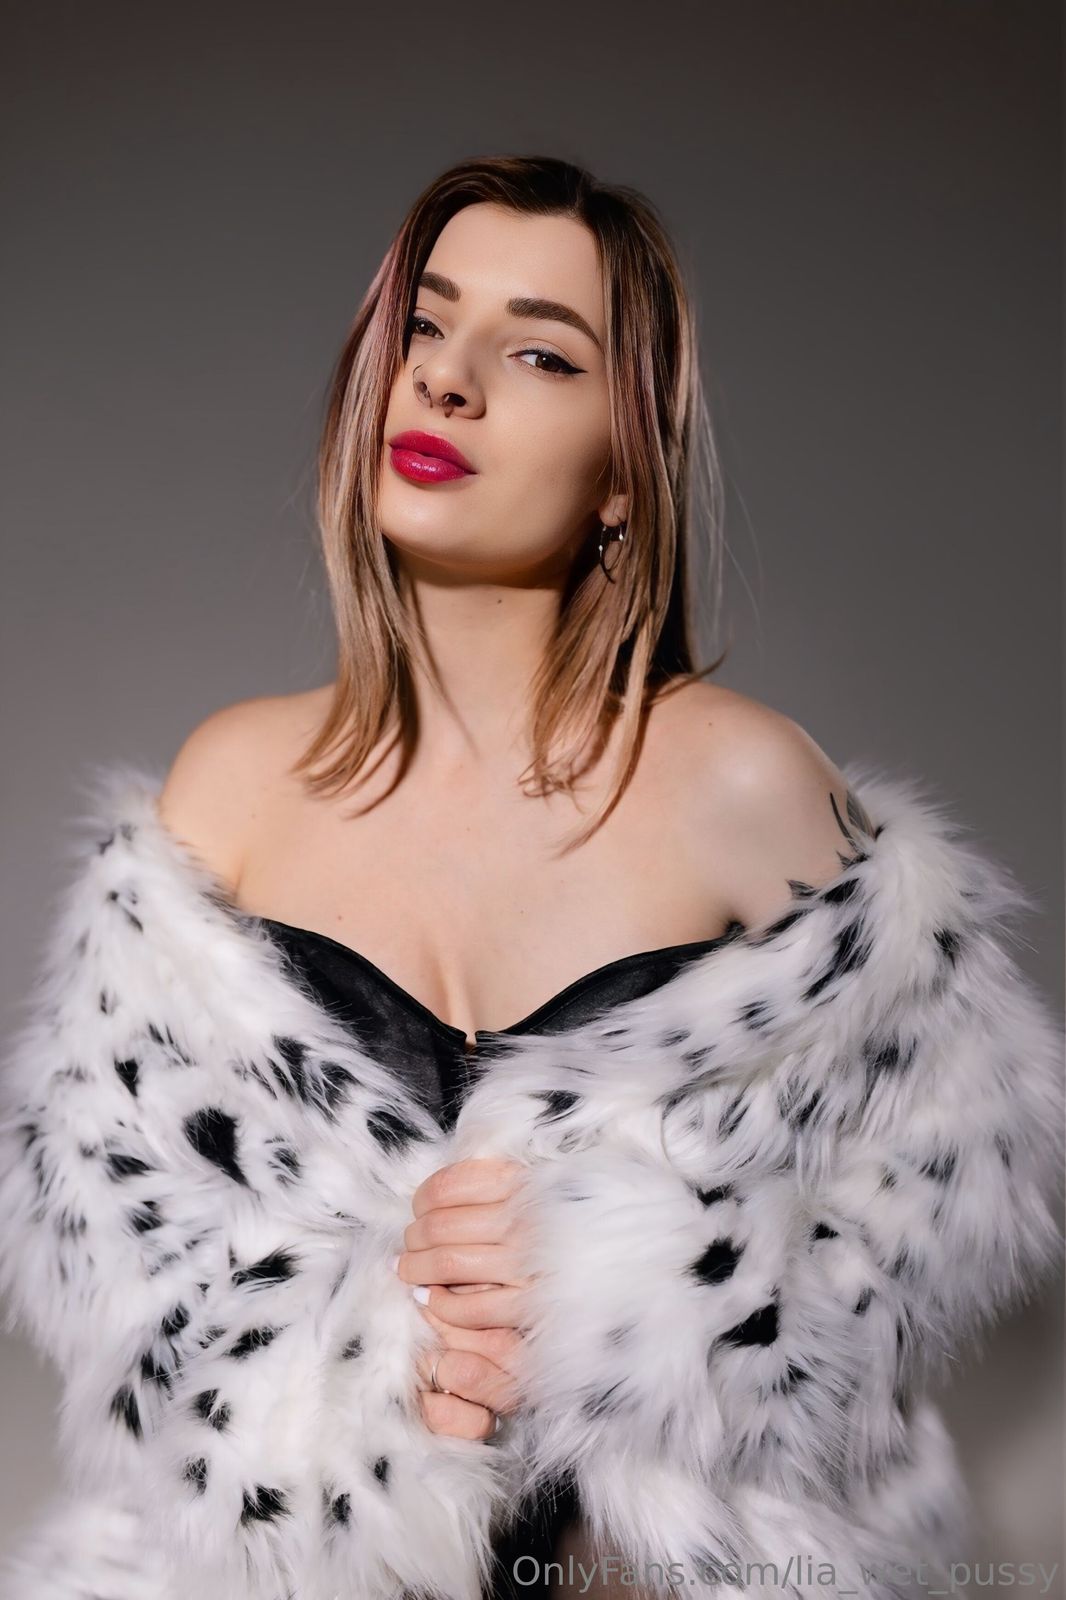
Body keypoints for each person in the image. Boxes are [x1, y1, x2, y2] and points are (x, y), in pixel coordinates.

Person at [0, 155, 1061, 1600]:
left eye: (540, 353)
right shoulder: (228, 793)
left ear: (626, 472)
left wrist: (612, 1298)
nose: (447, 381)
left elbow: (933, 1212)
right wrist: (383, 1354)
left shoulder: (742, 788)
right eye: (424, 329)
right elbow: (119, 1283)